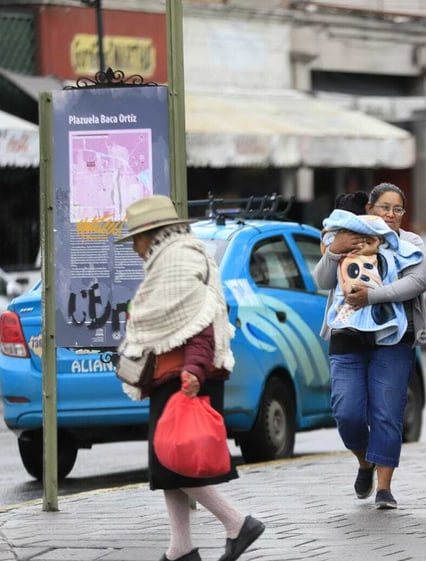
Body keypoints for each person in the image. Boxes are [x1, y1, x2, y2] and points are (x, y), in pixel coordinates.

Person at [116, 195, 265, 561]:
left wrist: (194, 371)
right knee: (168, 466)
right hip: (174, 376)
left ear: (153, 234)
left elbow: (204, 319)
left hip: (186, 376)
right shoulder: (174, 258)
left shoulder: (179, 260)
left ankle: (237, 523)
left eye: (136, 238)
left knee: (173, 462)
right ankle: (180, 548)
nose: (135, 247)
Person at [313, 183, 426, 509]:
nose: (390, 215)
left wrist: (371, 297)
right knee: (346, 412)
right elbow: (322, 281)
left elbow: (417, 282)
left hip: (394, 338)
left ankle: (384, 488)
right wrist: (336, 248)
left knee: (387, 413)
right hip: (347, 334)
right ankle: (365, 462)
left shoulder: (410, 243)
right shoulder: (347, 236)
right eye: (384, 208)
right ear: (370, 209)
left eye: (397, 209)